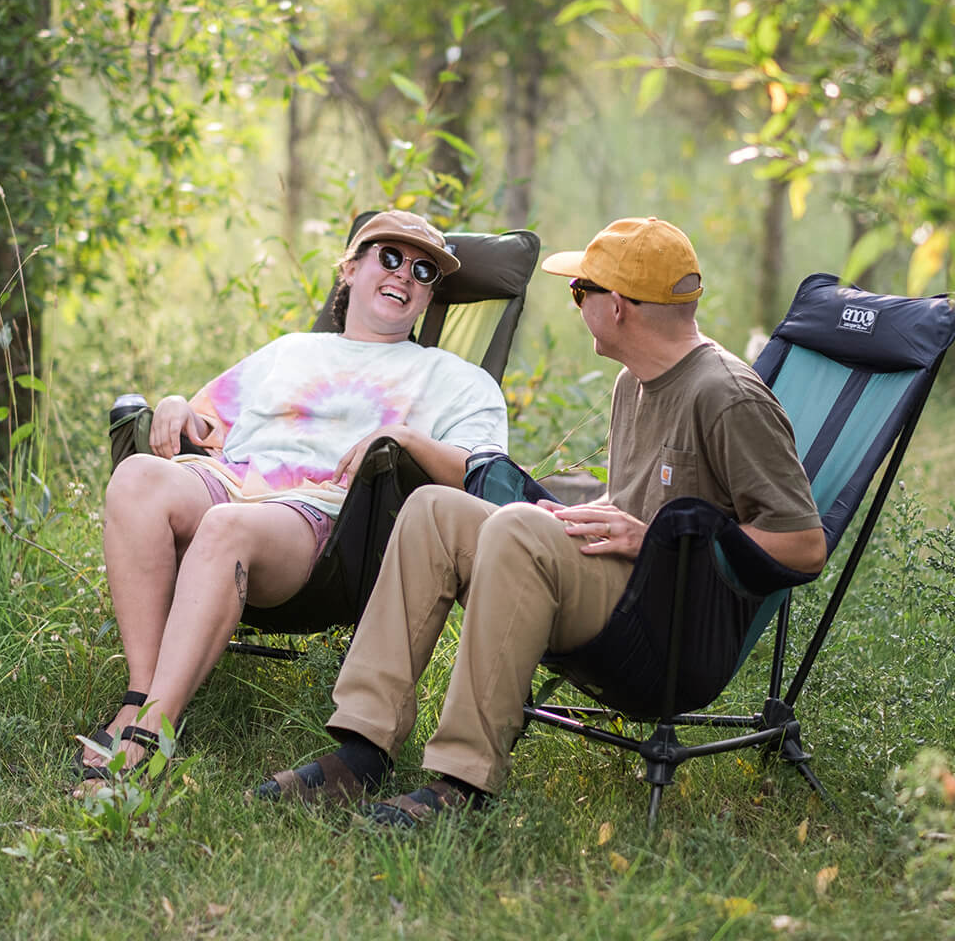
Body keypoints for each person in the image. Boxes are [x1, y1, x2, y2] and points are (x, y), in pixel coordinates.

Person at [252, 216, 827, 825]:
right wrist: (593, 513)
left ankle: (462, 784)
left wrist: (647, 536)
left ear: (619, 309)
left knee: (516, 528)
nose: (576, 303)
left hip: (672, 631)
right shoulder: (635, 383)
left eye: (581, 292)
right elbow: (643, 499)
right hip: (621, 592)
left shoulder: (727, 395)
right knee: (433, 511)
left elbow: (803, 545)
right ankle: (364, 748)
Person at [74, 210, 508, 790]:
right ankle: (141, 692)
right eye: (389, 257)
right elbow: (205, 423)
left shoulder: (453, 379)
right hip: (235, 477)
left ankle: (153, 733)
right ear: (350, 270)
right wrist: (179, 404)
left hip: (325, 520)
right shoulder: (290, 351)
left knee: (228, 526)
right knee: (136, 477)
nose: (405, 273)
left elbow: (487, 475)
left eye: (423, 269)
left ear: (430, 296)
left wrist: (405, 438)